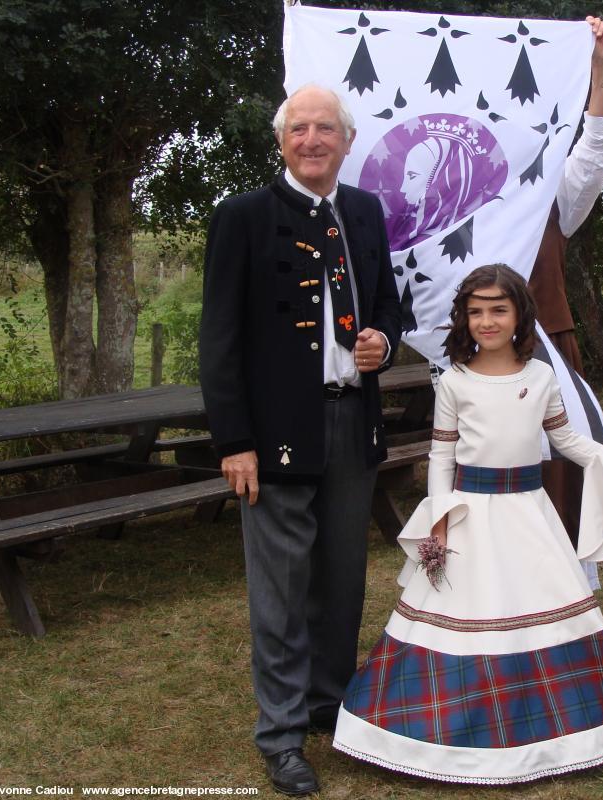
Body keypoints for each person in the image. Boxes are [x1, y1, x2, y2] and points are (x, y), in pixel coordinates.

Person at [332, 265, 603, 783]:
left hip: (530, 512)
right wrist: (439, 521)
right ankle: (428, 736)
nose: (487, 320)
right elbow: (441, 457)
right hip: (470, 513)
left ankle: (560, 733)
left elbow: (567, 442)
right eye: (476, 310)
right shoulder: (454, 380)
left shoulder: (541, 376)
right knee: (464, 611)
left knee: (537, 608)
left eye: (498, 309)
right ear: (463, 317)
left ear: (519, 315)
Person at [199, 85, 402, 795]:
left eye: (325, 129)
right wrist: (234, 440)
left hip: (352, 418)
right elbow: (218, 340)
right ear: (281, 141)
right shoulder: (242, 217)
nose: (311, 139)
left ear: (346, 141)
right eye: (298, 129)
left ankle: (329, 704)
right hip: (275, 430)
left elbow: (386, 305)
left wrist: (382, 338)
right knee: (281, 588)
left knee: (342, 580)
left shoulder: (365, 211)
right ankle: (281, 735)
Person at [529, 15, 603, 548]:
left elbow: (595, 149)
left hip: (549, 349)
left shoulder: (553, 192)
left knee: (560, 477)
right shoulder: (453, 199)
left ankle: (561, 590)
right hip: (475, 359)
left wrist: (599, 67)